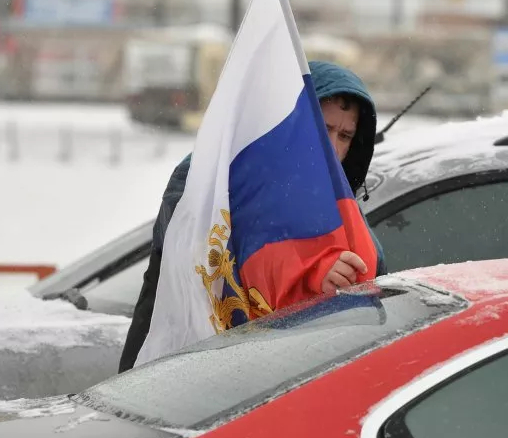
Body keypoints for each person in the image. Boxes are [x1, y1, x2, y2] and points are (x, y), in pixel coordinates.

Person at [118, 60, 386, 372]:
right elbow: (205, 256)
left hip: (282, 379)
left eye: (345, 135)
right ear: (292, 120)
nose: (333, 146)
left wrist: (342, 274)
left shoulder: (337, 204)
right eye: (323, 128)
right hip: (190, 369)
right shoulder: (214, 174)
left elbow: (372, 273)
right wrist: (309, 267)